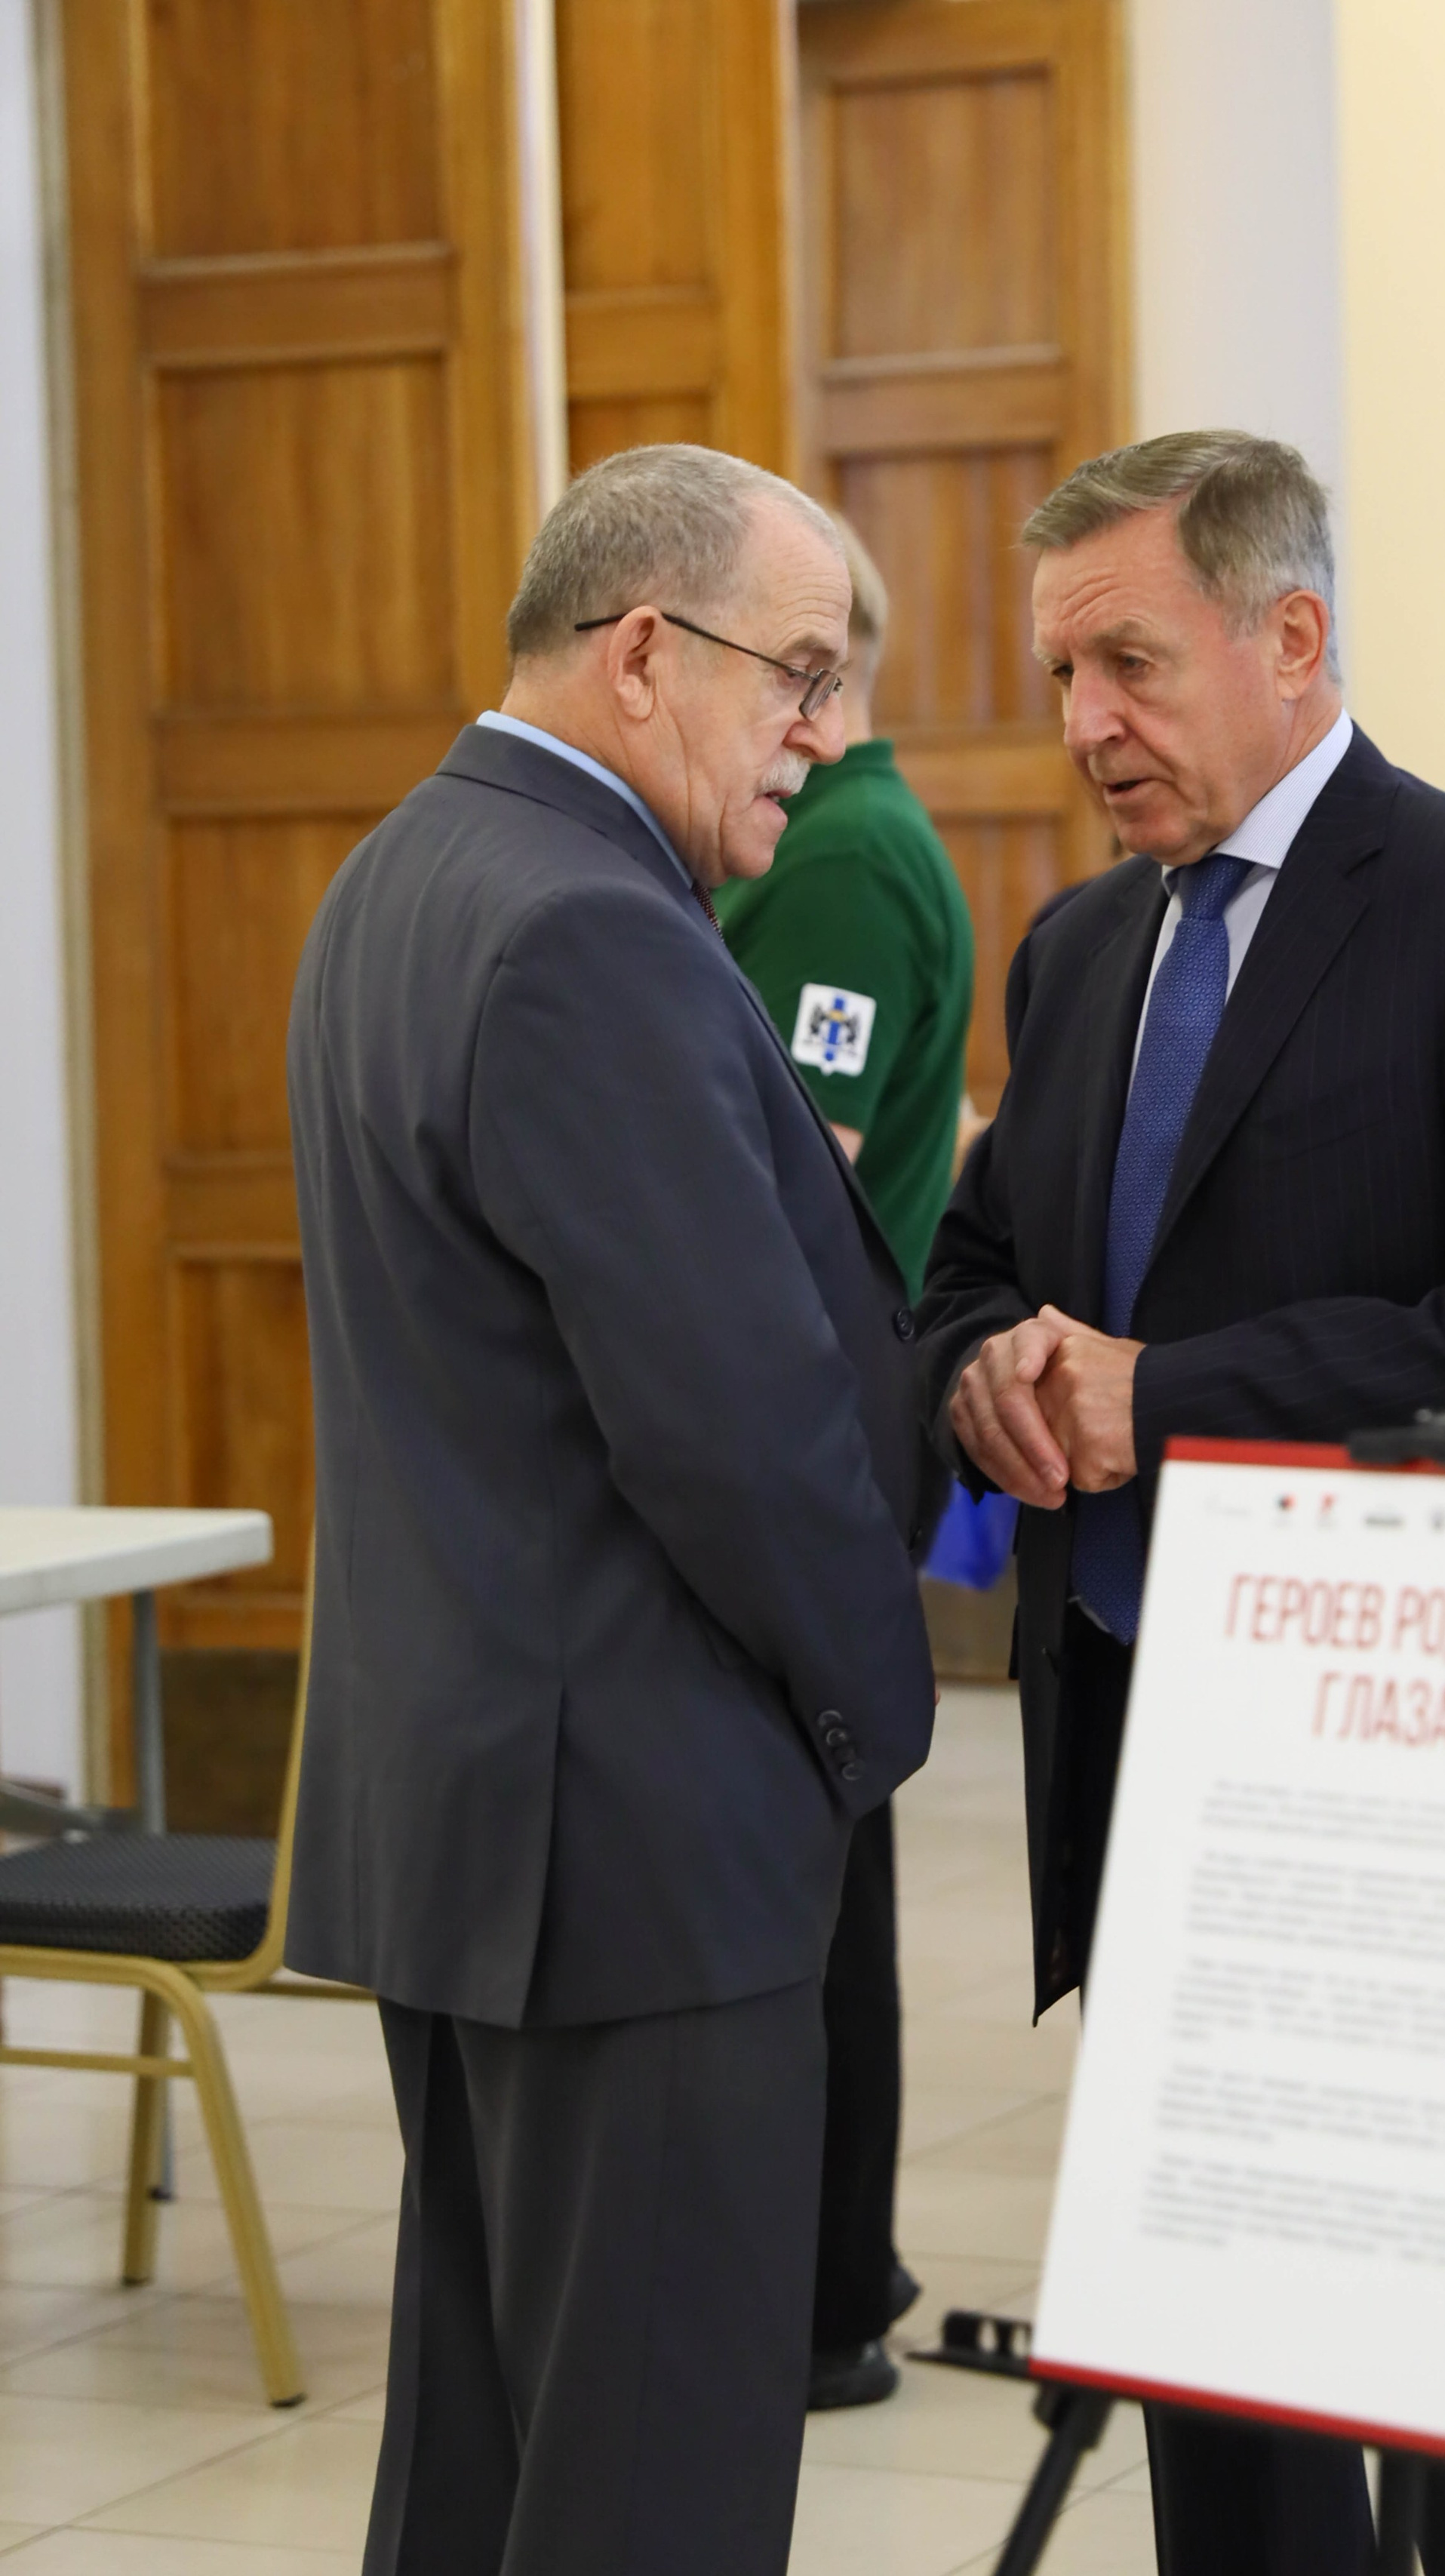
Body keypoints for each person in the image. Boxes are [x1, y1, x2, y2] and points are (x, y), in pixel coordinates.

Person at [916, 429, 1445, 2576]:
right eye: (1066, 673)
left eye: (1133, 665)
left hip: (1420, 1757)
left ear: (1294, 637)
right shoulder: (1079, 953)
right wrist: (987, 1368)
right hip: (1151, 1735)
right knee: (1228, 2400)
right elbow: (978, 1266)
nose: (1087, 725)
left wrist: (1177, 1395)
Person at [286, 443, 937, 2576]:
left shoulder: (401, 875)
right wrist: (877, 1714)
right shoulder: (595, 929)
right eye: (801, 674)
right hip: (640, 1857)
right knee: (647, 2483)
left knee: (484, 2471)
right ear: (648, 652)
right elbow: (735, 1430)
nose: (826, 735)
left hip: (481, 1827)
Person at [715, 509, 973, 2408]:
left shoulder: (835, 857)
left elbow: (780, 1155)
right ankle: (828, 2272)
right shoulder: (858, 840)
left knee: (819, 1896)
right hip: (829, 1398)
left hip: (812, 1399)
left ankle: (819, 2286)